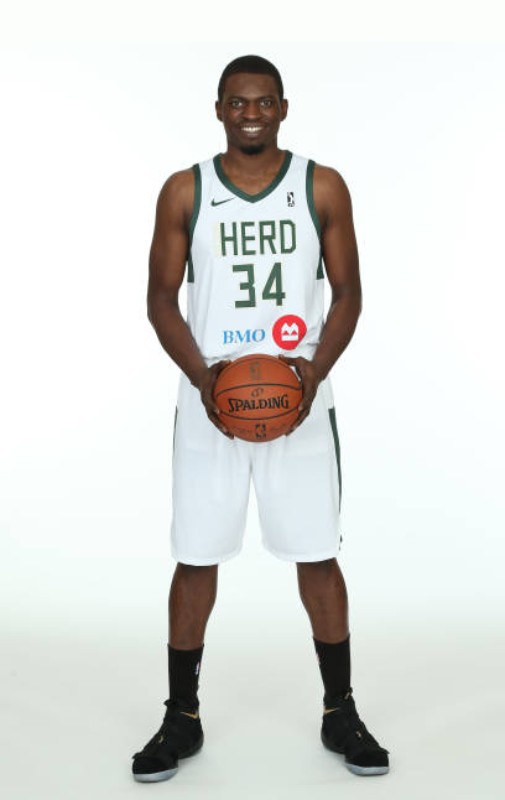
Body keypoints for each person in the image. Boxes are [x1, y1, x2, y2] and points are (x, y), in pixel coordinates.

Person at [131, 54, 390, 782]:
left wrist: (312, 373)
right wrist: (204, 380)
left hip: (297, 399)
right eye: (238, 102)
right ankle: (181, 717)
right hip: (209, 401)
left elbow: (348, 294)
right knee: (195, 558)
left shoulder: (320, 185)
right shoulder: (186, 190)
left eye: (264, 101)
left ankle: (340, 709)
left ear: (283, 108)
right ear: (219, 108)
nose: (251, 113)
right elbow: (159, 298)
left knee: (317, 555)